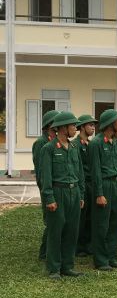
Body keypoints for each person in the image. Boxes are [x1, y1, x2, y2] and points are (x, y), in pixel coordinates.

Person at [39, 111, 85, 279]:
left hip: (74, 192)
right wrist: (49, 198)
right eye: (73, 125)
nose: (75, 128)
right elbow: (46, 176)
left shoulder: (74, 147)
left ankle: (67, 266)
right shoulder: (49, 149)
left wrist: (81, 194)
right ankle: (54, 268)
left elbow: (80, 173)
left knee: (72, 231)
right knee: (56, 231)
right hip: (58, 193)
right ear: (63, 128)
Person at [89, 109, 117, 271]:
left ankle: (111, 257)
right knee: (101, 225)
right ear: (111, 123)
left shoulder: (115, 144)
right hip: (104, 186)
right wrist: (99, 194)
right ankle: (100, 260)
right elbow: (95, 171)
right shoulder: (96, 143)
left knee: (116, 223)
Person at [33, 109, 60, 260]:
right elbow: (41, 170)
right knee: (50, 220)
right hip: (47, 187)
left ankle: (51, 250)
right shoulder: (41, 143)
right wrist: (46, 190)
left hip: (56, 187)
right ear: (50, 125)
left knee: (55, 220)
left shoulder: (53, 142)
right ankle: (44, 253)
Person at [72, 114, 97, 256]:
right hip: (83, 183)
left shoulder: (91, 144)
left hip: (91, 183)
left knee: (90, 216)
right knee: (81, 216)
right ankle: (78, 246)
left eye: (94, 125)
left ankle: (88, 244)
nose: (93, 128)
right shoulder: (75, 144)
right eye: (90, 125)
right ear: (82, 127)